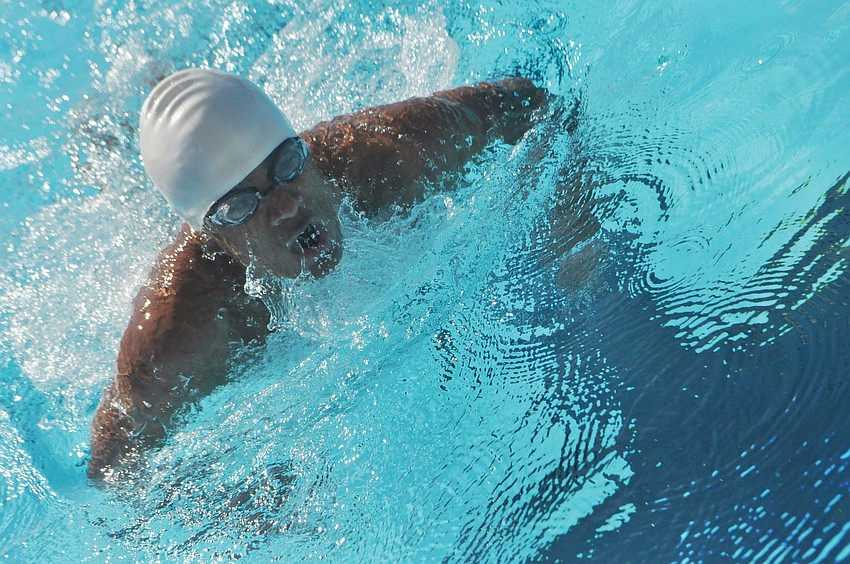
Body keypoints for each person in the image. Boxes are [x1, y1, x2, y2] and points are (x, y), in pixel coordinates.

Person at [87, 68, 548, 482]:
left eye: (287, 165)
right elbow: (111, 469)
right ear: (213, 235)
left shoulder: (381, 155)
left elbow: (526, 102)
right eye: (242, 205)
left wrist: (568, 237)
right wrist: (232, 502)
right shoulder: (180, 332)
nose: (286, 205)